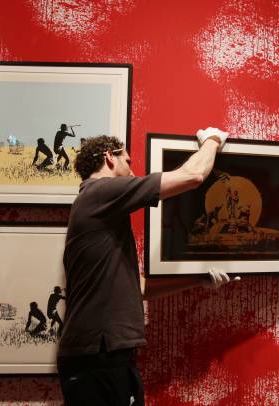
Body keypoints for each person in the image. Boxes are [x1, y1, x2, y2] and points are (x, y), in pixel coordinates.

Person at [57, 127, 237, 406]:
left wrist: (198, 280)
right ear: (109, 158)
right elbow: (193, 176)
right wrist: (212, 140)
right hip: (98, 356)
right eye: (127, 161)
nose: (132, 172)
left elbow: (137, 287)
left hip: (106, 355)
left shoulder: (98, 207)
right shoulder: (100, 191)